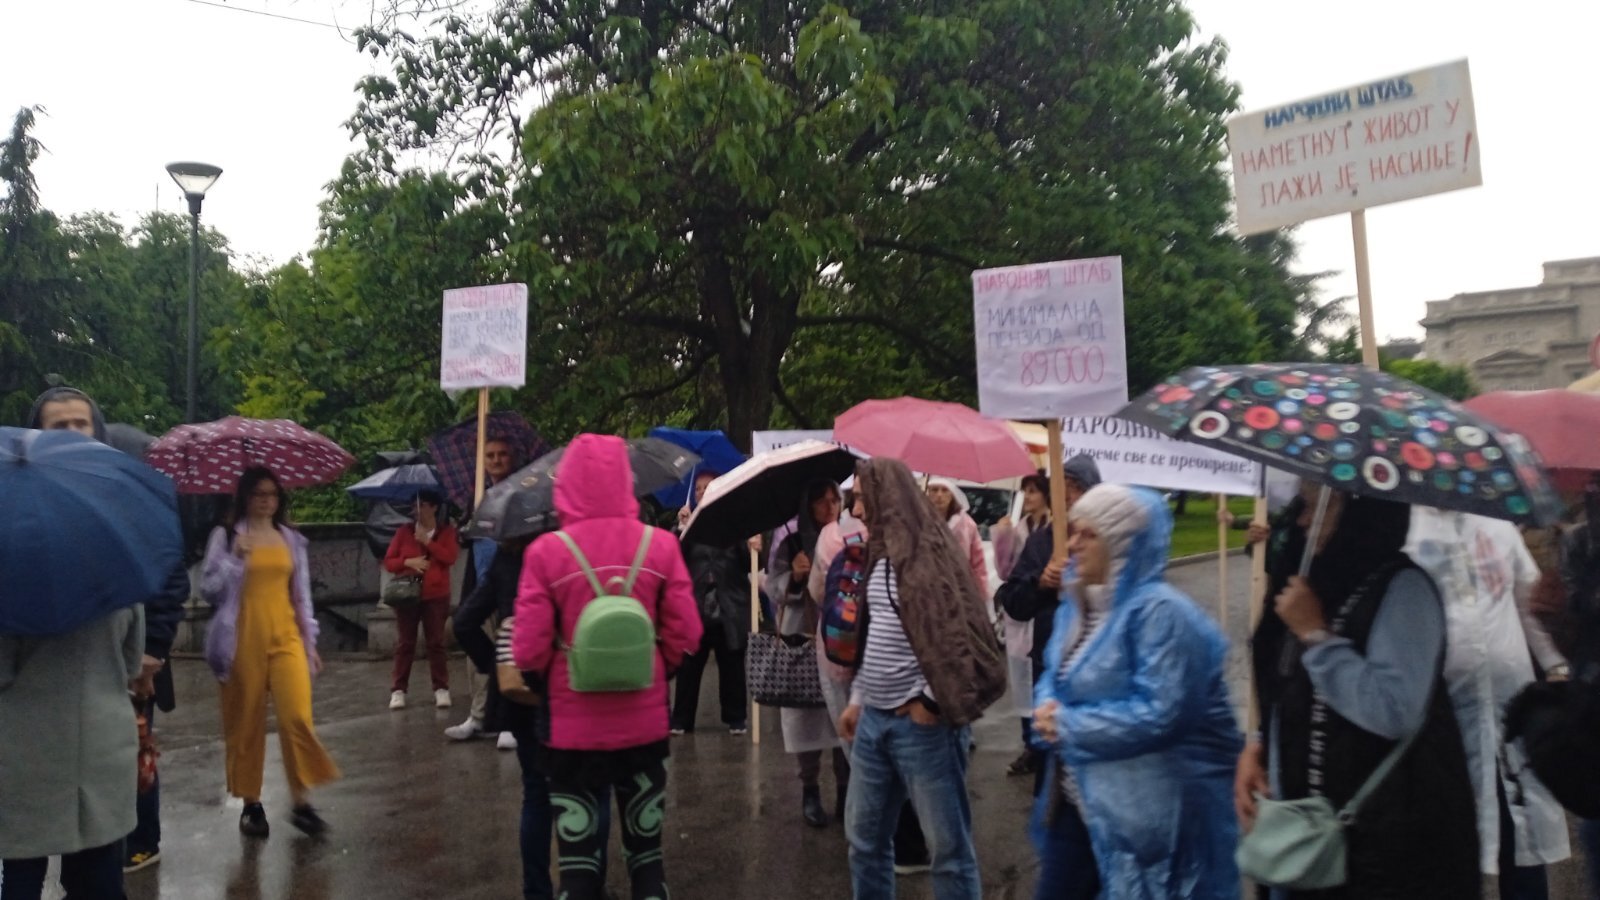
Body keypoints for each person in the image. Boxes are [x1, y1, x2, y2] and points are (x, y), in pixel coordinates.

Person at [1236, 486, 1478, 899]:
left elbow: (1394, 710)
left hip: (1383, 846)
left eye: (1316, 506)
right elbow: (1287, 682)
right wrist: (1260, 744)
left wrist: (1317, 636)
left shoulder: (1403, 589)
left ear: (1361, 512)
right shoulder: (1315, 581)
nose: (1300, 520)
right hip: (1305, 831)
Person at [512, 434, 701, 900]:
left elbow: (528, 650)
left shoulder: (546, 553)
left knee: (578, 869)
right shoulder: (660, 546)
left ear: (567, 484)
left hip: (572, 739)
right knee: (647, 862)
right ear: (626, 481)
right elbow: (687, 633)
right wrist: (660, 669)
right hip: (645, 730)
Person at [1030, 484, 1240, 899]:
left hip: (1145, 823)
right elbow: (1054, 675)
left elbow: (1163, 714)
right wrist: (1045, 713)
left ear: (1122, 541)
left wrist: (1069, 726)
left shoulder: (1160, 613)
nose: (1073, 544)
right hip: (1078, 802)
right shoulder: (1079, 603)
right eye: (1073, 531)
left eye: (1088, 534)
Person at [26, 386, 188, 876]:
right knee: (29, 828)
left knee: (117, 787)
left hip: (119, 674)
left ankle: (138, 842)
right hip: (36, 687)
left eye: (82, 423)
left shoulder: (126, 491)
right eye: (60, 426)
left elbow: (168, 573)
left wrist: (152, 649)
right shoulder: (19, 499)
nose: (74, 433)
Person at [838, 458, 1007, 900]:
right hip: (874, 722)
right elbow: (875, 632)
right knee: (864, 842)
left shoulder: (928, 556)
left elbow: (958, 631)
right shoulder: (879, 554)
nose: (854, 509)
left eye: (858, 498)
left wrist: (929, 703)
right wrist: (858, 698)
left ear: (881, 497)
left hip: (922, 730)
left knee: (948, 851)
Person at [1406, 508, 1570, 899]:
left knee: (1521, 835)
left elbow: (1530, 604)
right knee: (1453, 843)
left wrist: (1557, 666)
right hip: (1444, 721)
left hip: (1509, 713)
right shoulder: (1406, 529)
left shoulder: (1498, 527)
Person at [455, 533, 611, 900]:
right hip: (578, 685)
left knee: (537, 794)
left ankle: (536, 891)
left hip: (523, 693)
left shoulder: (507, 558)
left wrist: (495, 664)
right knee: (595, 788)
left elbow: (464, 623)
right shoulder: (579, 551)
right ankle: (590, 888)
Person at [200, 467, 340, 838]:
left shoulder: (290, 538)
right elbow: (208, 590)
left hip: (285, 637)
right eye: (259, 493)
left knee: (297, 717)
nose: (266, 500)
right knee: (245, 723)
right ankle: (251, 804)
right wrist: (233, 559)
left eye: (272, 494)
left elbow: (302, 594)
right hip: (242, 638)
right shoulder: (227, 535)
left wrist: (309, 642)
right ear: (244, 496)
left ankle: (302, 802)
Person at [994, 457, 1100, 779]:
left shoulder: (1109, 540)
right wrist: (1040, 582)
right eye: (1061, 487)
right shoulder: (1042, 542)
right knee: (1052, 770)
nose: (1067, 495)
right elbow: (1013, 602)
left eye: (1076, 488)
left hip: (1096, 675)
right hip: (1049, 670)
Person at [765, 479, 851, 828]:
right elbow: (773, 585)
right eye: (822, 500)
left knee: (842, 717)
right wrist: (797, 579)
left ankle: (847, 792)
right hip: (801, 637)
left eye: (835, 499)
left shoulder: (849, 536)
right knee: (807, 720)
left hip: (838, 640)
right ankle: (810, 790)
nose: (830, 507)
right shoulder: (790, 539)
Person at [447, 436, 522, 750]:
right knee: (464, 627)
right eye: (490, 455)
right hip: (481, 578)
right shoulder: (477, 494)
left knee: (510, 649)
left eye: (502, 454)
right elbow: (468, 536)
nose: (495, 460)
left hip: (511, 575)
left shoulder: (520, 490)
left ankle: (507, 721)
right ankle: (480, 716)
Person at [670, 470, 751, 735]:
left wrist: (750, 544)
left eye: (708, 487)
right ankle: (681, 720)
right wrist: (681, 531)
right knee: (689, 667)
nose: (702, 492)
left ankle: (736, 718)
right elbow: (673, 563)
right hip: (696, 607)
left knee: (732, 666)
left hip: (729, 606)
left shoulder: (735, 525)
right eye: (699, 488)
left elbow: (746, 565)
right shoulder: (687, 526)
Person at [383, 489, 460, 711]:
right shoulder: (403, 532)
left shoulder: (446, 532)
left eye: (422, 504)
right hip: (407, 595)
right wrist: (408, 562)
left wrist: (427, 541)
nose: (417, 509)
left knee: (436, 642)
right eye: (415, 505)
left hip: (436, 595)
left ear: (434, 507)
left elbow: (450, 557)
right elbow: (389, 561)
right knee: (405, 643)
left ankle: (441, 688)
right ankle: (398, 690)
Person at [926, 478, 987, 593]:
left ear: (952, 494)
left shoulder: (967, 524)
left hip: (959, 589)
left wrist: (980, 593)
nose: (939, 495)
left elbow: (978, 563)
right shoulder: (919, 521)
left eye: (945, 490)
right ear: (928, 493)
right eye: (934, 490)